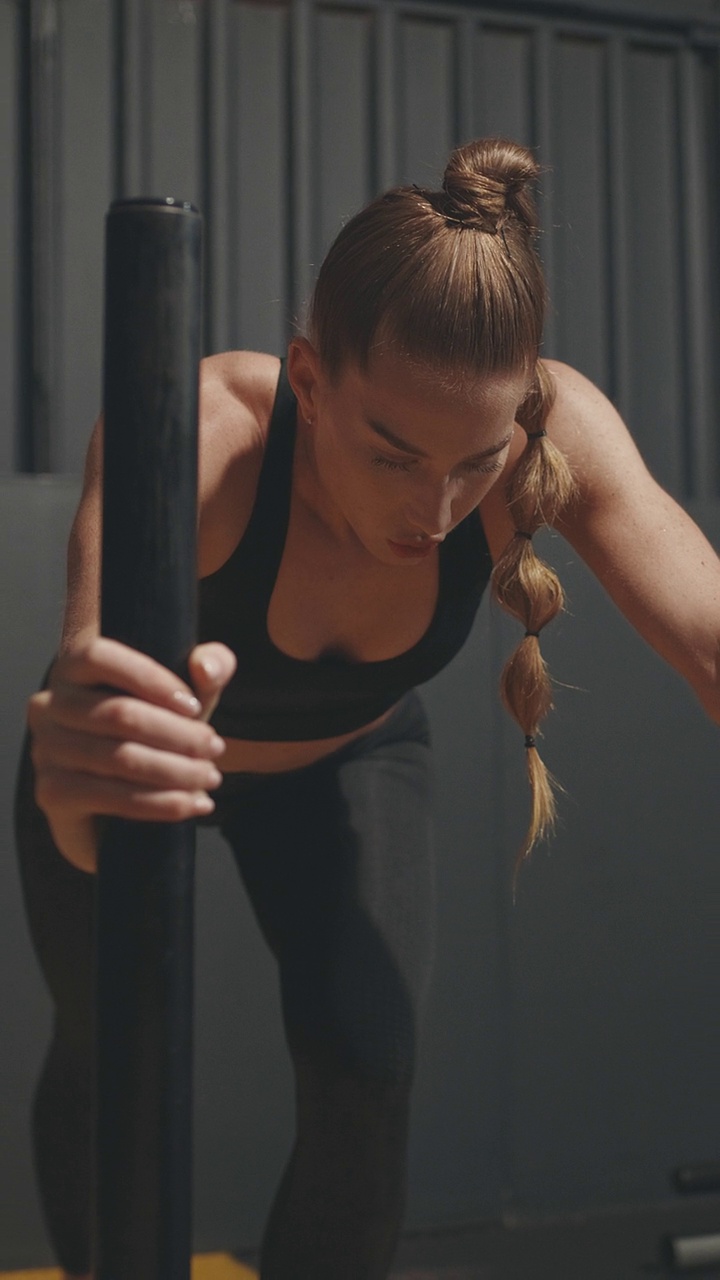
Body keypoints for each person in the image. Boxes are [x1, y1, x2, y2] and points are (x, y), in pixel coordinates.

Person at [15, 136, 720, 1280]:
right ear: (307, 377)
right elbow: (89, 706)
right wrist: (79, 758)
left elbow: (713, 643)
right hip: (140, 763)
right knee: (111, 1045)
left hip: (350, 762)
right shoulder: (196, 434)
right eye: (394, 455)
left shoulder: (552, 432)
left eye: (474, 464)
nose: (438, 510)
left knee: (365, 1066)